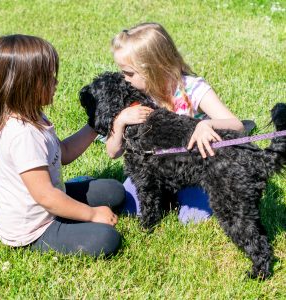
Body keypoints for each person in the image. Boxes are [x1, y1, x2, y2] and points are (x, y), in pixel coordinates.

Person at [0, 34, 125, 256]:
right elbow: (47, 198)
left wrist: (94, 126)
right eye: (49, 77)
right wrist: (92, 214)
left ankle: (69, 199)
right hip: (34, 229)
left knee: (115, 192)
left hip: (51, 199)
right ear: (25, 86)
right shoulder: (23, 135)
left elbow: (64, 153)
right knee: (107, 239)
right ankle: (68, 211)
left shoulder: (33, 116)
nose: (56, 82)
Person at [107, 22, 254, 224]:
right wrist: (120, 121)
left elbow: (237, 125)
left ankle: (181, 198)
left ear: (153, 68)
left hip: (194, 171)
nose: (124, 79)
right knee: (130, 207)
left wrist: (206, 125)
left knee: (192, 218)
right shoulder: (134, 96)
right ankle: (166, 197)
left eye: (129, 73)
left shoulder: (192, 89)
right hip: (154, 172)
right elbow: (113, 152)